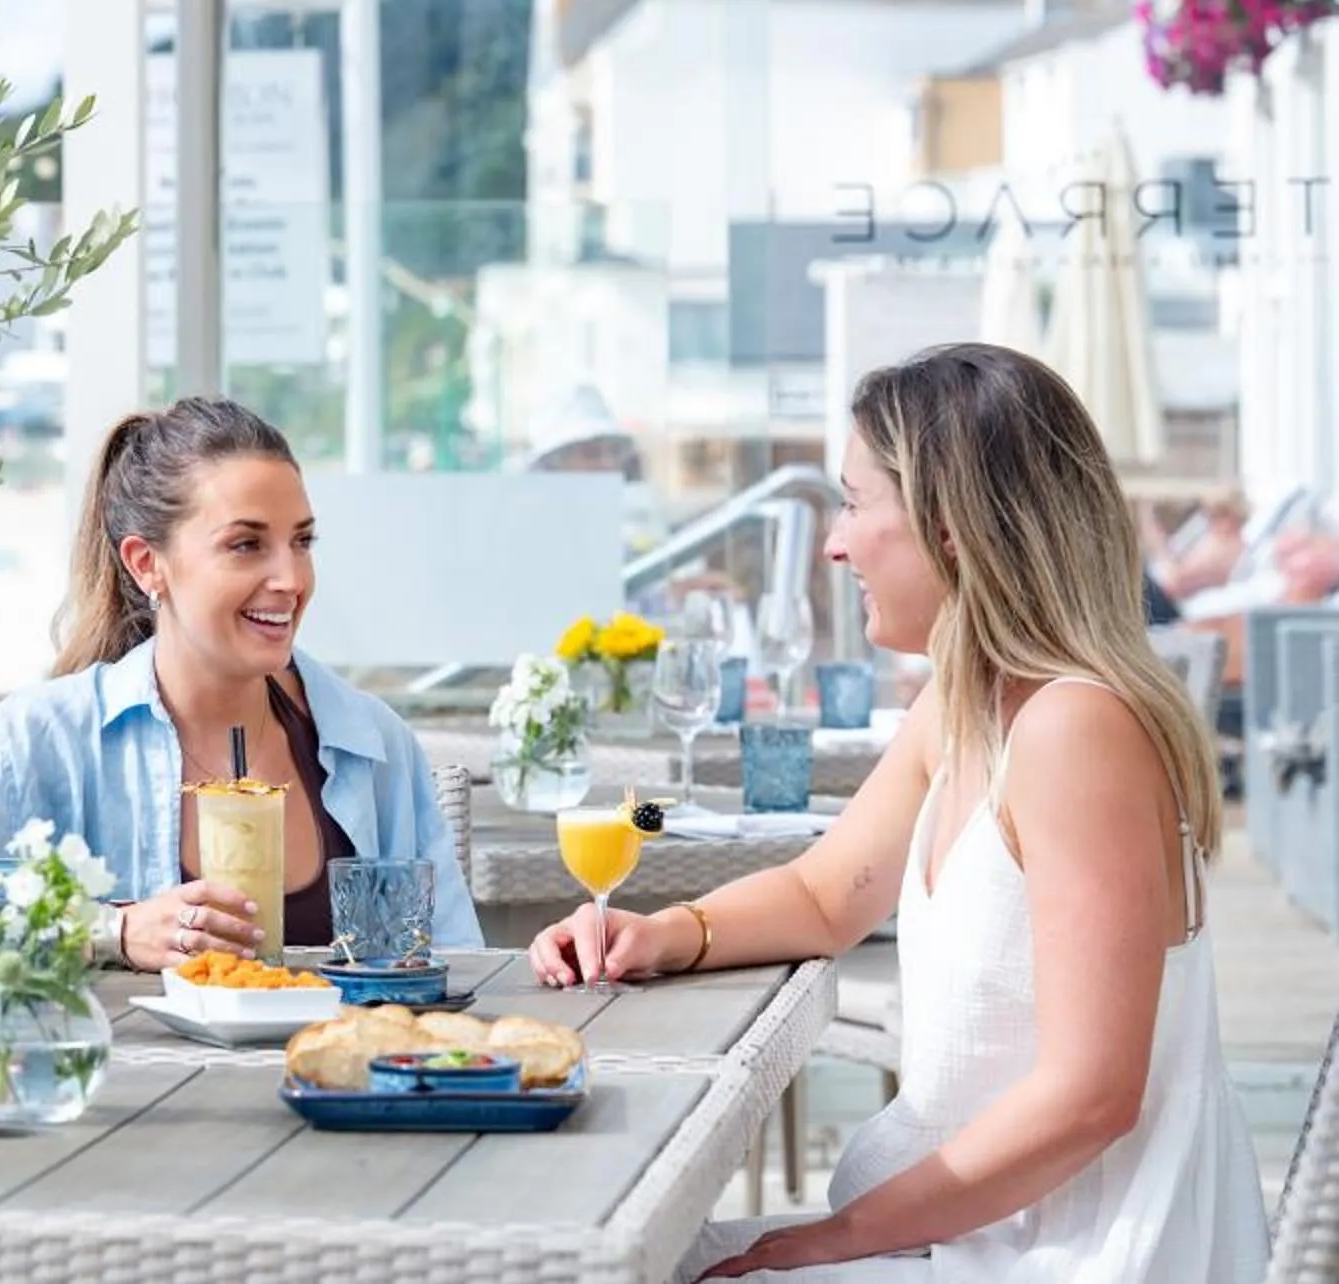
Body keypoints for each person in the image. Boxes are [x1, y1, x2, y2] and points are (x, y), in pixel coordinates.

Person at [526, 343, 1265, 1283]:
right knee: (618, 1261)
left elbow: (1091, 1097)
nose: (834, 544)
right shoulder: (964, 704)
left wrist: (836, 1238)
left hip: (1072, 1251)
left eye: (852, 501)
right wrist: (660, 933)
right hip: (981, 1226)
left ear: (948, 524)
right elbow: (828, 893)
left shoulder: (1074, 728)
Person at [0, 398, 480, 963]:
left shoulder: (370, 743)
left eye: (301, 542)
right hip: (120, 1074)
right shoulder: (41, 739)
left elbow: (459, 962)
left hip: (339, 1073)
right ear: (148, 565)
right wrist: (107, 930)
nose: (290, 578)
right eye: (246, 545)